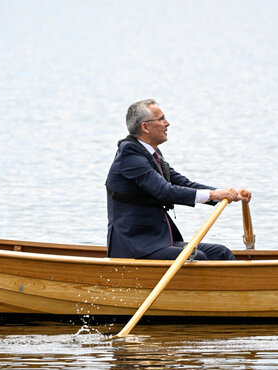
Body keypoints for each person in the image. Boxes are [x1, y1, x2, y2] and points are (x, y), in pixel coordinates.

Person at [106, 99, 252, 260]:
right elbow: (165, 191)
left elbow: (182, 183)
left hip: (157, 240)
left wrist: (228, 194)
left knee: (221, 253)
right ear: (145, 127)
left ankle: (234, 285)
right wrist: (212, 195)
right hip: (135, 246)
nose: (167, 123)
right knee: (198, 258)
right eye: (161, 119)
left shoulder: (152, 154)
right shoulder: (130, 156)